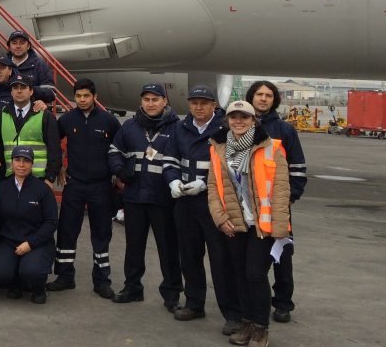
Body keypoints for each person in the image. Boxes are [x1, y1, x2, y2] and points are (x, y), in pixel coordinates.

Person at [207, 100, 291, 347]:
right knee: (240, 275)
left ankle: (260, 328)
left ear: (254, 120)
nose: (238, 121)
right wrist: (220, 218)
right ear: (227, 121)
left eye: (244, 117)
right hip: (235, 223)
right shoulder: (218, 148)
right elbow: (213, 187)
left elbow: (280, 189)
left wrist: (278, 227)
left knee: (255, 274)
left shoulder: (271, 148)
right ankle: (245, 321)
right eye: (234, 117)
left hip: (261, 225)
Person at [166, 86, 242, 334]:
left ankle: (231, 313)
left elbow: (232, 166)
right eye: (194, 102)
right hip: (186, 202)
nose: (198, 107)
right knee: (189, 256)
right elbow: (169, 159)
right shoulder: (180, 128)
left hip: (213, 203)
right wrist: (173, 180)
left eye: (204, 103)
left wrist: (204, 183)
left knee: (221, 259)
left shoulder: (224, 130)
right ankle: (194, 303)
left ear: (214, 106)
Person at [107, 83, 183, 310]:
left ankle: (171, 294)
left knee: (168, 248)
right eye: (147, 99)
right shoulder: (129, 127)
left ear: (165, 101)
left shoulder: (177, 129)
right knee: (133, 247)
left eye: (155, 99)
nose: (150, 104)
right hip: (135, 197)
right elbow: (114, 151)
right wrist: (120, 171)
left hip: (163, 199)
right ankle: (132, 288)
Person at [47, 78, 121, 299]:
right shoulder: (67, 119)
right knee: (68, 230)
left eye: (86, 96)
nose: (81, 100)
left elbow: (119, 147)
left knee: (101, 233)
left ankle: (102, 280)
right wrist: (59, 163)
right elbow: (53, 142)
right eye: (78, 96)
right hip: (75, 184)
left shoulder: (109, 121)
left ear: (94, 96)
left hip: (101, 185)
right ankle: (64, 276)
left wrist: (117, 175)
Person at [247, 80, 306, 323]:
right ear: (251, 98)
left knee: (282, 255)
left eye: (268, 95)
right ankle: (250, 301)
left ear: (274, 100)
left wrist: (290, 197)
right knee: (250, 257)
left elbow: (298, 167)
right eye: (259, 94)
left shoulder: (285, 130)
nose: (263, 99)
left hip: (277, 205)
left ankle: (283, 302)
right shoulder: (239, 125)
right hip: (248, 205)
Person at [0, 146, 58, 303]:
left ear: (32, 164)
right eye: (17, 160)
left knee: (31, 271)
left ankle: (39, 288)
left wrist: (31, 243)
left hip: (37, 243)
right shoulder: (3, 187)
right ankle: (16, 284)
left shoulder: (42, 190)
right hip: (9, 241)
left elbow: (51, 222)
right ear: (11, 163)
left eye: (26, 161)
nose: (21, 164)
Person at [0, 73, 62, 191]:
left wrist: (50, 179)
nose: (19, 91)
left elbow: (55, 150)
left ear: (31, 91)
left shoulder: (45, 116)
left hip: (38, 180)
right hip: (10, 179)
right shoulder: (1, 114)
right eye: (15, 88)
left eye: (23, 87)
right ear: (11, 92)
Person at [5, 30, 55, 103]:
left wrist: (29, 90)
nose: (18, 46)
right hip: (7, 110)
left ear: (28, 46)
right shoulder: (3, 65)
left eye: (22, 43)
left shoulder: (39, 65)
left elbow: (51, 93)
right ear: (9, 46)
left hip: (31, 111)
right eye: (14, 43)